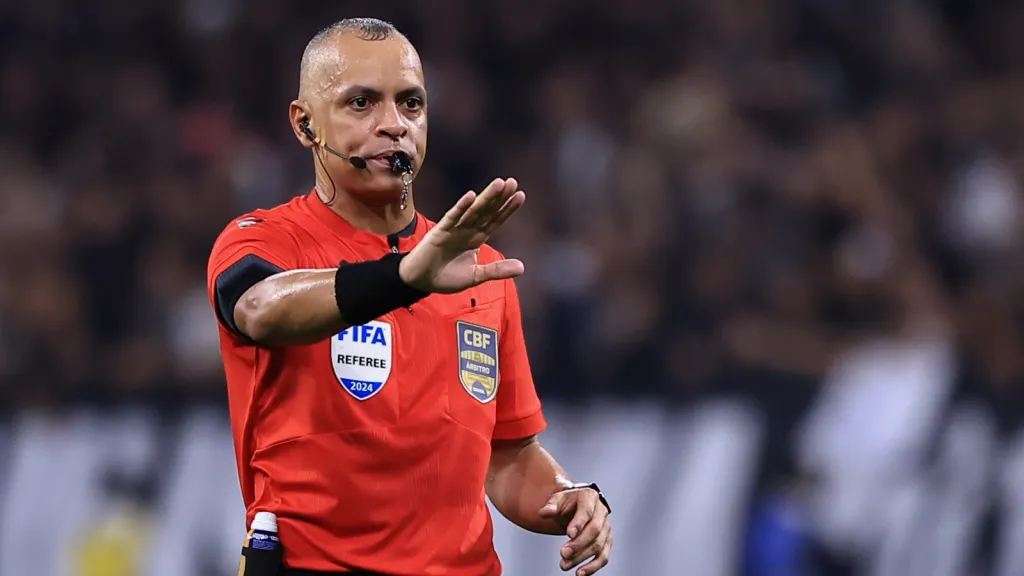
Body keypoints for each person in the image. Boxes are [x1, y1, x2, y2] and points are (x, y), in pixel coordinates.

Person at [206, 17, 613, 576]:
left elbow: (507, 454)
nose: (393, 125)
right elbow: (259, 309)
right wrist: (403, 277)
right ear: (304, 124)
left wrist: (568, 496)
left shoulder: (478, 271)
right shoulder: (264, 239)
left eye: (412, 104)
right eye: (361, 104)